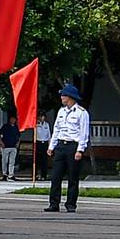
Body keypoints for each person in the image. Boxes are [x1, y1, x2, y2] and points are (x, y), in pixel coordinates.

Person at [44, 84, 89, 212]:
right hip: (61, 146)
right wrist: (51, 146)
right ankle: (54, 203)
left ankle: (71, 204)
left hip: (73, 146)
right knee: (56, 176)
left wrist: (80, 150)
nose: (62, 97)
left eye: (63, 95)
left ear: (70, 97)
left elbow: (83, 133)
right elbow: (56, 129)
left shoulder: (81, 112)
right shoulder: (61, 111)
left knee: (73, 177)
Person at [0, 113, 21, 181]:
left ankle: (11, 174)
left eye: (14, 119)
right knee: (5, 161)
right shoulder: (5, 126)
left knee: (12, 161)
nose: (13, 120)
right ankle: (4, 174)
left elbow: (19, 136)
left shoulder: (16, 127)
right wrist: (1, 142)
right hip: (6, 146)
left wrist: (18, 143)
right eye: (12, 119)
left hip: (13, 146)